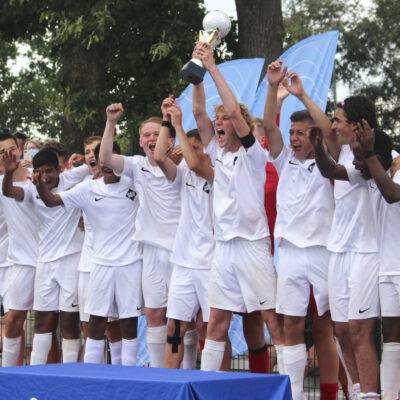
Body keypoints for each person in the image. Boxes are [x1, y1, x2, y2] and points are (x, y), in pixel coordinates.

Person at [189, 41, 284, 373]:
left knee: (273, 321)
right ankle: (209, 390)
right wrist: (197, 72)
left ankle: (293, 391)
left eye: (225, 120)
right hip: (224, 248)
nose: (219, 123)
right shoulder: (216, 148)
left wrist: (213, 66)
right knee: (215, 323)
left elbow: (232, 110)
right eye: (219, 121)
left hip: (253, 246)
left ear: (238, 124)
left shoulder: (253, 153)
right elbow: (199, 113)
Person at [263, 60, 338, 400]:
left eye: (300, 133)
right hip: (289, 252)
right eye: (292, 133)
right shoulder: (284, 158)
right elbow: (268, 126)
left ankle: (330, 394)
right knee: (290, 324)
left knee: (327, 326)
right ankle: (291, 394)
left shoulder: (329, 160)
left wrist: (303, 95)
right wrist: (273, 89)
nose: (293, 139)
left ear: (314, 136)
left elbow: (331, 133)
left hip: (323, 250)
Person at [35, 142, 143, 366]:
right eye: (102, 161)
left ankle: (129, 376)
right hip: (99, 267)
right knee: (95, 323)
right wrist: (39, 188)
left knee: (129, 324)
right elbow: (52, 201)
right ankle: (93, 376)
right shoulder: (87, 189)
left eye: (111, 159)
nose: (107, 165)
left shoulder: (135, 183)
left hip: (131, 265)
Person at [308, 96, 381, 399]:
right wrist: (317, 151)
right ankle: (355, 391)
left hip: (366, 252)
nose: (334, 125)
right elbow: (331, 171)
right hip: (338, 252)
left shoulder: (382, 155)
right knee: (340, 330)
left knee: (359, 330)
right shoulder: (347, 154)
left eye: (338, 120)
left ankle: (370, 394)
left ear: (357, 124)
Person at [100, 104, 181, 368]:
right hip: (152, 251)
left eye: (156, 133)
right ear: (139, 141)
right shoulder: (136, 165)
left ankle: (186, 372)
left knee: (186, 318)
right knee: (154, 313)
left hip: (184, 251)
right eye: (146, 135)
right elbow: (106, 158)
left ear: (170, 138)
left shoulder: (185, 163)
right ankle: (159, 375)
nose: (151, 139)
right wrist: (111, 123)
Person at [2, 148, 88, 365]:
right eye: (39, 172)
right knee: (43, 320)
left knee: (69, 321)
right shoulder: (32, 188)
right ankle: (36, 375)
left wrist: (85, 157)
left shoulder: (72, 177)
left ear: (60, 169)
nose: (45, 176)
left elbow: (102, 163)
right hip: (45, 262)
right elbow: (10, 193)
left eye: (49, 171)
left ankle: (70, 376)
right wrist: (10, 173)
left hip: (72, 259)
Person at [154, 97, 214, 370]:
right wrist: (166, 119)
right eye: (188, 148)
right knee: (175, 328)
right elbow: (158, 157)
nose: (192, 154)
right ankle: (169, 386)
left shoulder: (218, 173)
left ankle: (217, 386)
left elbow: (196, 163)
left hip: (212, 264)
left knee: (211, 329)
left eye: (197, 148)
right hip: (184, 263)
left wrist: (178, 124)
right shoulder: (181, 175)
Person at [354, 123, 400, 400]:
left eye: (361, 157)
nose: (356, 162)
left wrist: (369, 153)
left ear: (378, 158)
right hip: (388, 266)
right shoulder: (372, 174)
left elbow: (393, 195)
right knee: (391, 333)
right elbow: (330, 170)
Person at [0, 133, 39, 367]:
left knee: (45, 326)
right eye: (2, 152)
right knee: (13, 321)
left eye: (11, 149)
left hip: (44, 261)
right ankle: (9, 376)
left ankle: (44, 380)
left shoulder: (38, 179)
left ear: (20, 149)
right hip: (14, 263)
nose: (8, 155)